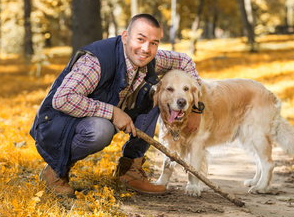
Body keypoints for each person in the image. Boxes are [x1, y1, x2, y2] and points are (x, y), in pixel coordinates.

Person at [30, 13, 202, 198]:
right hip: (55, 125)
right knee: (101, 130)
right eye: (141, 39)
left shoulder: (149, 59)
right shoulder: (96, 62)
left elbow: (185, 61)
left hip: (95, 113)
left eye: (154, 43)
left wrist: (195, 108)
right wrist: (112, 112)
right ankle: (54, 171)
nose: (146, 48)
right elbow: (62, 99)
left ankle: (129, 170)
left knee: (157, 97)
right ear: (125, 37)